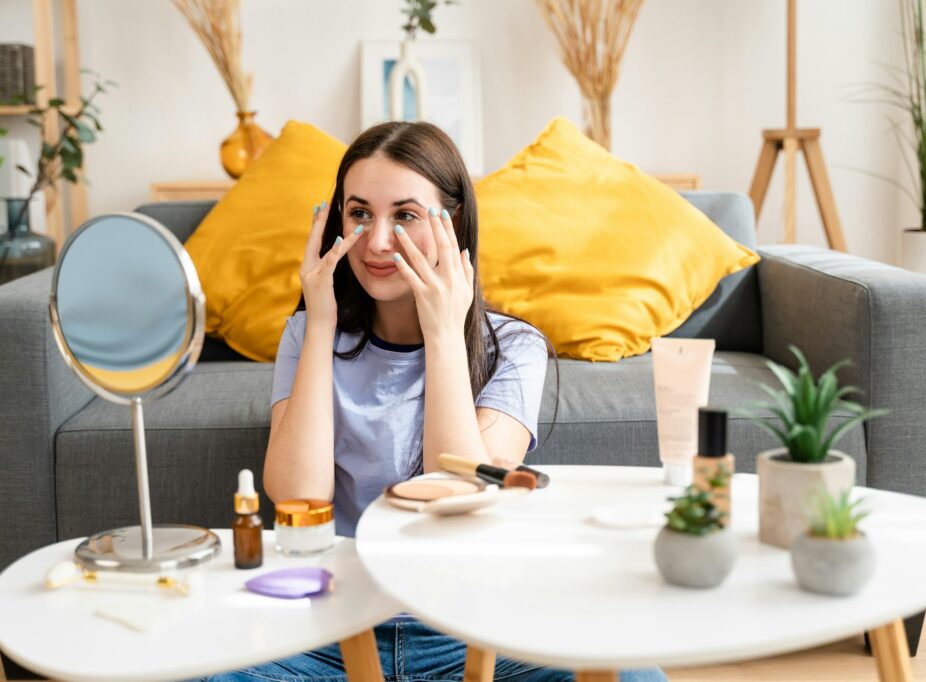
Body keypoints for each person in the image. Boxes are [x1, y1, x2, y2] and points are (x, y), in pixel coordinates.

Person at [202, 121, 666, 682]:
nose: (376, 242)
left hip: (469, 625)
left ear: (453, 226)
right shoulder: (307, 335)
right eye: (359, 214)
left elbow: (457, 496)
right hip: (331, 626)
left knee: (633, 673)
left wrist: (444, 333)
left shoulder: (517, 348)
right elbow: (299, 495)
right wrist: (320, 320)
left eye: (405, 215)